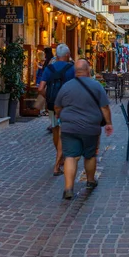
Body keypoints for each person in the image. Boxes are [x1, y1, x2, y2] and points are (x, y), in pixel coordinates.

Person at [54, 59, 113, 200]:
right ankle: (90, 181)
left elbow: (57, 106)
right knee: (90, 155)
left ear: (76, 72)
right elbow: (104, 107)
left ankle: (68, 188)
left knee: (70, 156)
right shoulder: (96, 86)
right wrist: (109, 123)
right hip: (90, 127)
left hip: (69, 127)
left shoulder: (66, 86)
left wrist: (62, 116)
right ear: (88, 70)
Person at [38, 44, 75, 176]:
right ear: (67, 55)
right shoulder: (71, 68)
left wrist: (47, 98)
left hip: (52, 104)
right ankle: (58, 164)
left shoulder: (49, 68)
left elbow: (40, 88)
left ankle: (59, 158)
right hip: (66, 106)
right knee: (63, 134)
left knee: (55, 130)